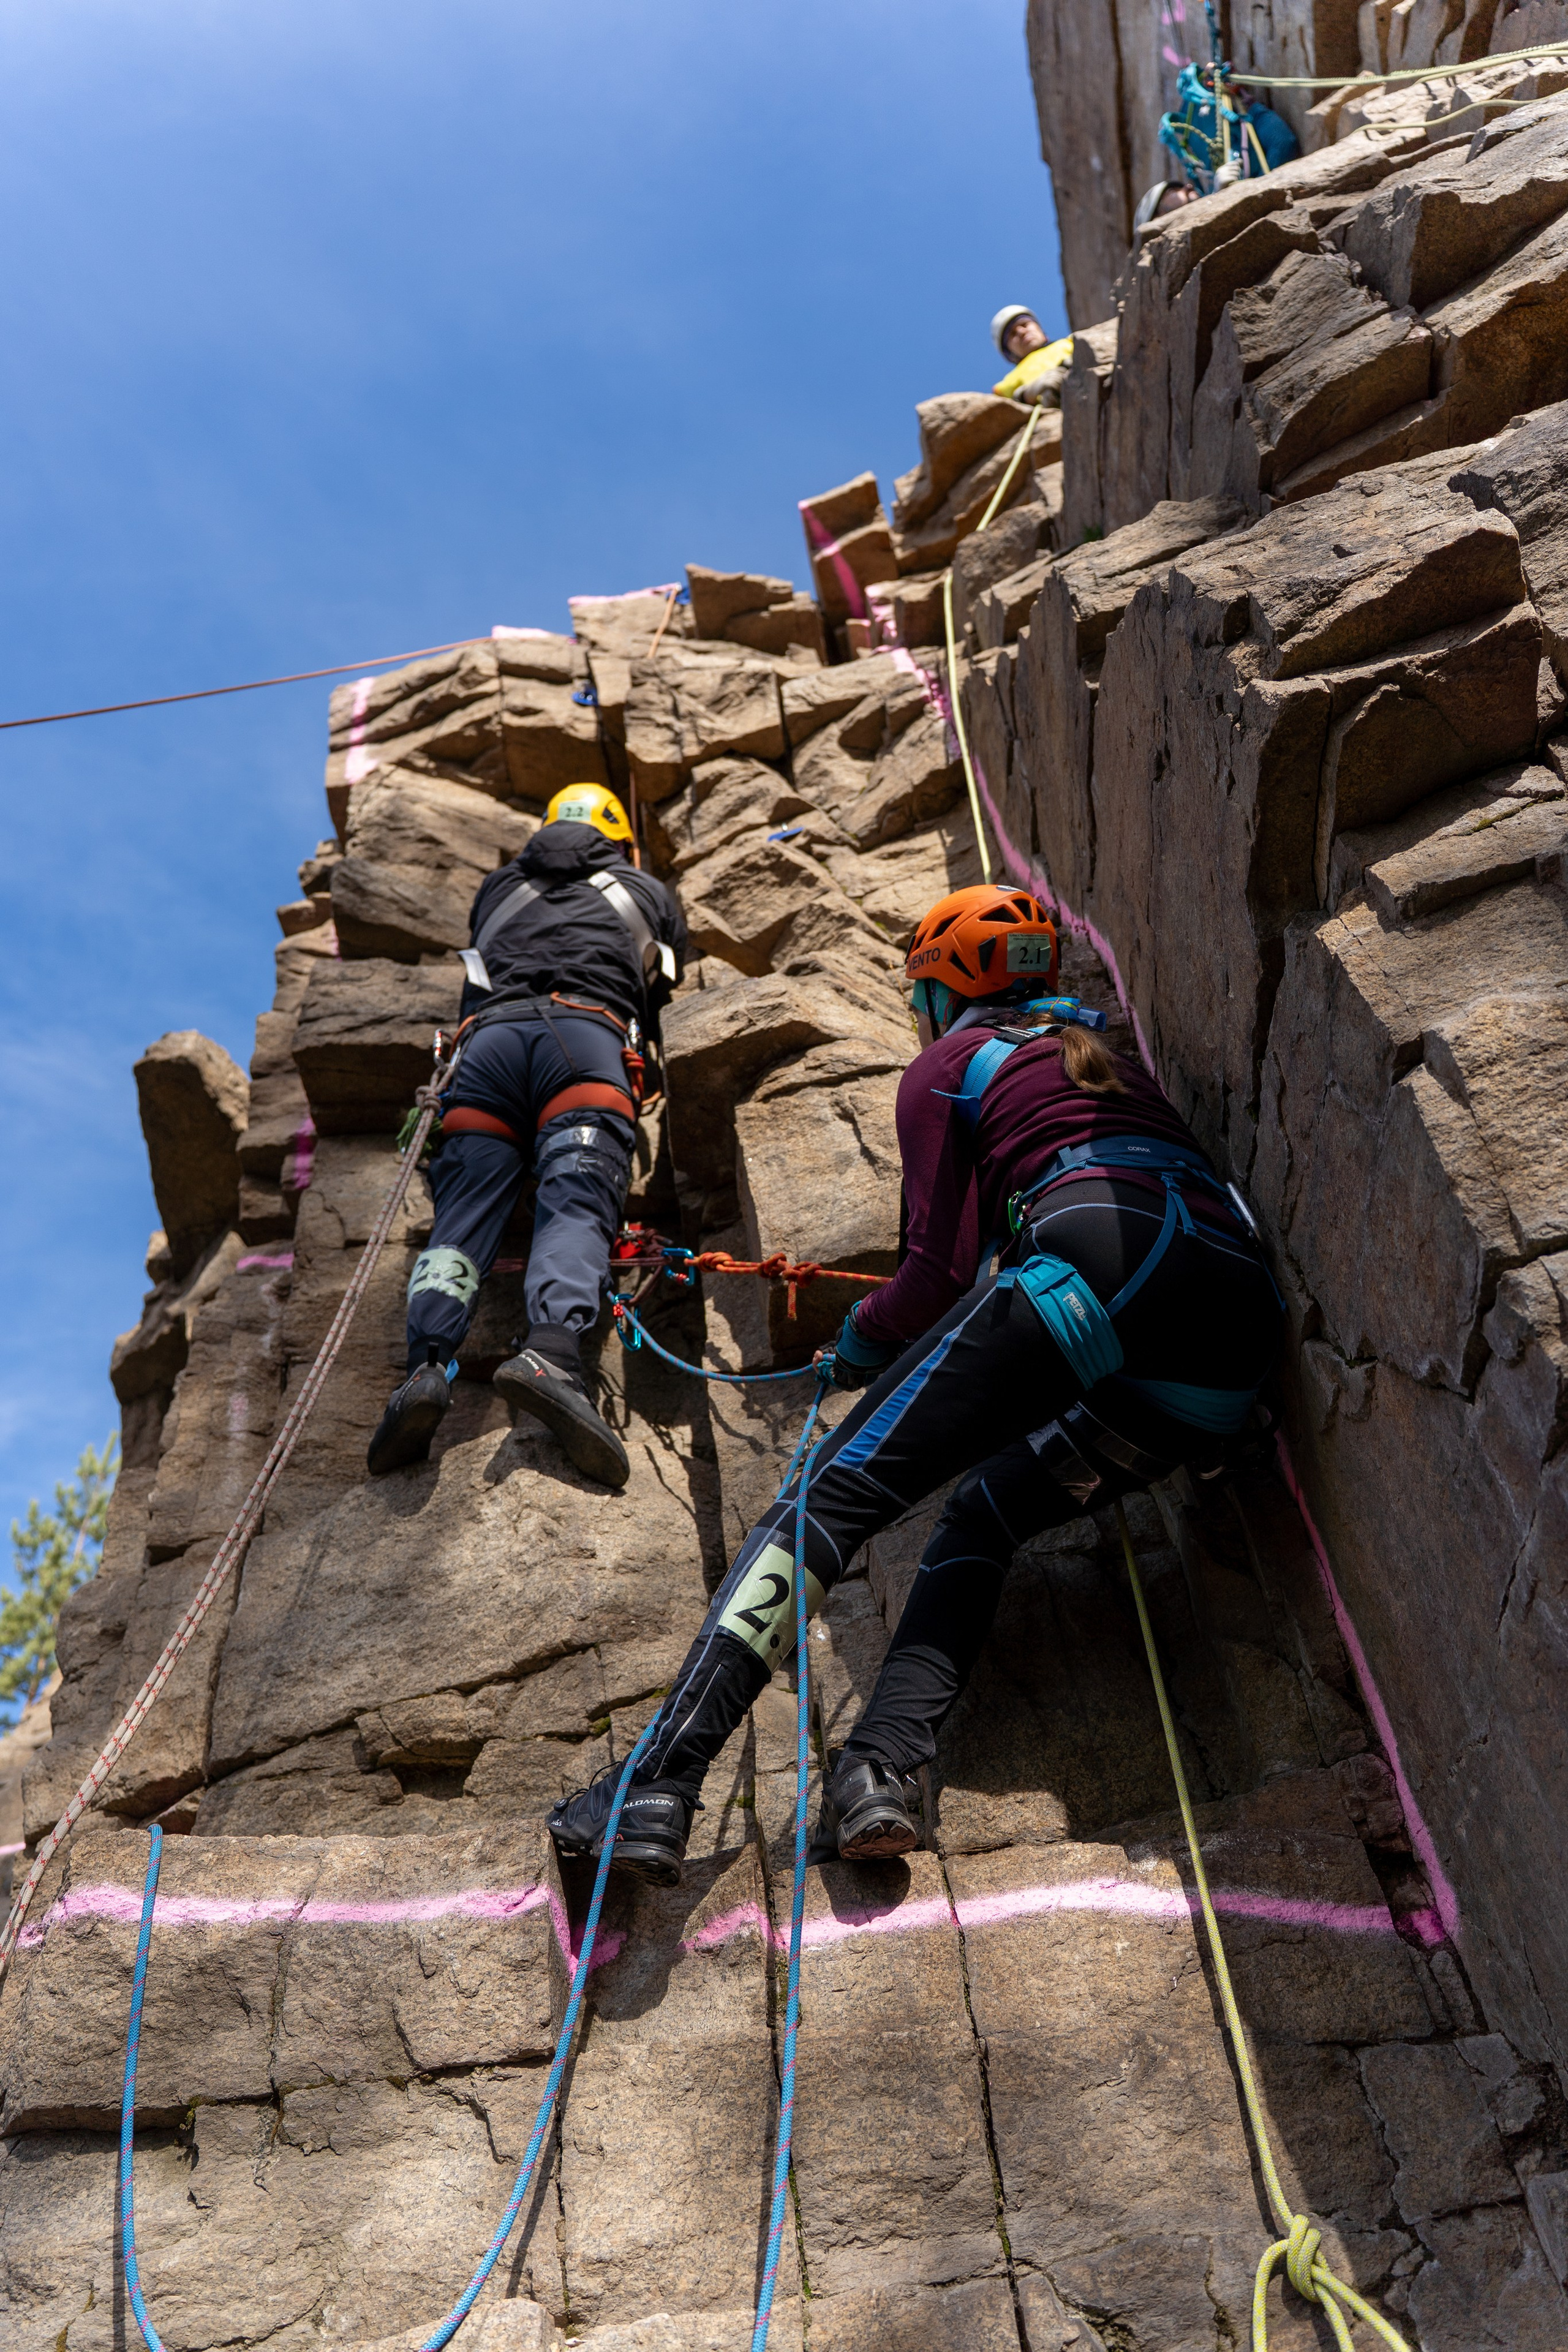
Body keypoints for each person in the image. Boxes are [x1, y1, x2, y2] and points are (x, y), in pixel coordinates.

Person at [549, 883, 1283, 1885]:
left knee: (825, 1502)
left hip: (1088, 1277)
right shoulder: (1106, 1057)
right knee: (984, 1514)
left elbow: (938, 1277)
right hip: (1226, 1346)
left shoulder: (951, 1064)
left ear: (944, 992)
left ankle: (656, 1783)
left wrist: (856, 1341)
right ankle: (879, 1771)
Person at [366, 782, 687, 1490]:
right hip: (586, 1043)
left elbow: (475, 978)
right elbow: (660, 989)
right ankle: (551, 1354)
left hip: (485, 1052)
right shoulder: (643, 888)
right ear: (616, 838)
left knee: (461, 1216)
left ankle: (424, 1368)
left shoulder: (499, 887)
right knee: (576, 1201)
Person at [990, 307, 1077, 406]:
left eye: (1024, 324)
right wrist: (1024, 396)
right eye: (1013, 334)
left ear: (1038, 327)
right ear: (1009, 352)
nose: (1021, 332)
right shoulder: (1006, 385)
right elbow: (998, 410)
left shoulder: (1071, 342)